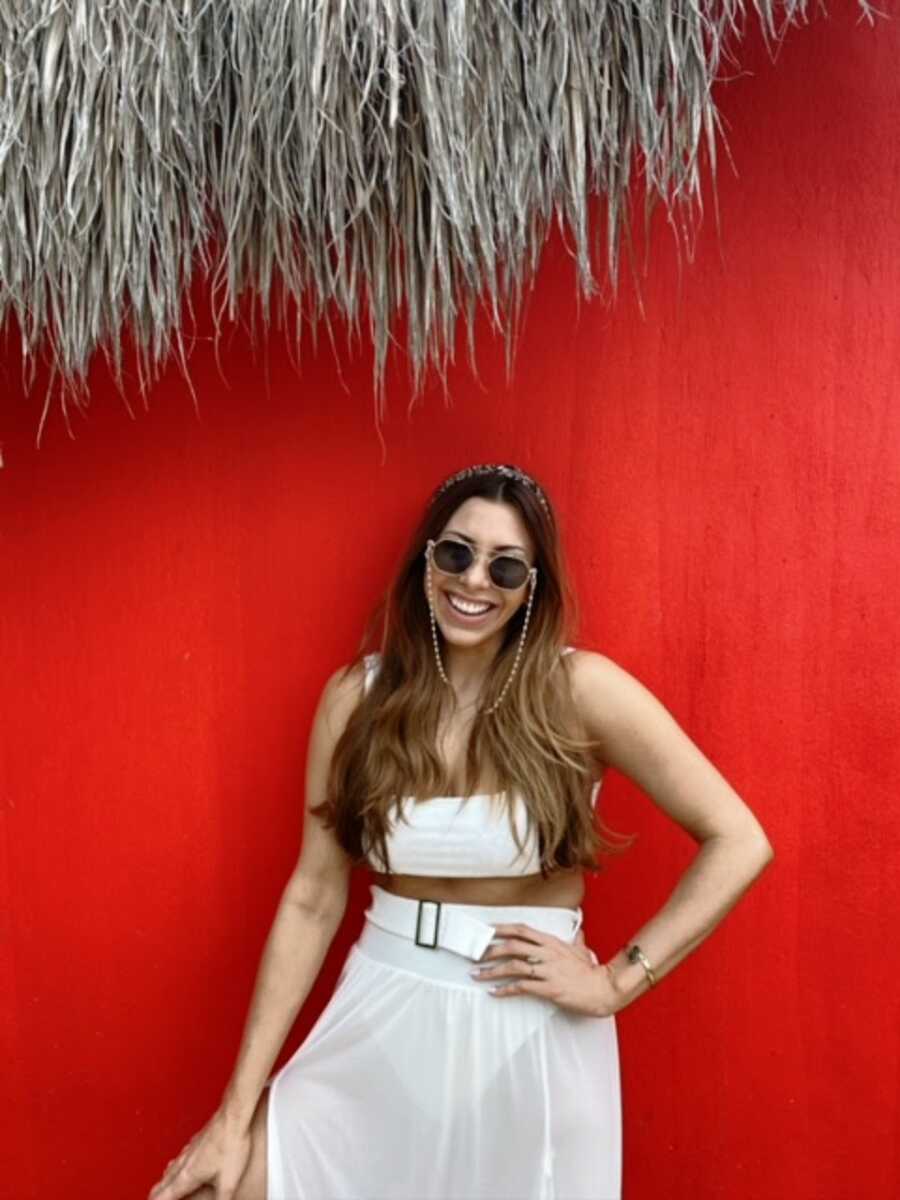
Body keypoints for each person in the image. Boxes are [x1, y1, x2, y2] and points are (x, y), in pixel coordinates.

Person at [148, 463, 774, 1200]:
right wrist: (232, 1115)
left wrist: (615, 982)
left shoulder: (581, 692)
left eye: (506, 566)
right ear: (427, 559)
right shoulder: (357, 699)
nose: (475, 580)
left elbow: (739, 839)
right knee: (208, 1189)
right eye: (456, 553)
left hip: (524, 1032)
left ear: (531, 585)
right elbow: (314, 895)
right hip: (381, 1013)